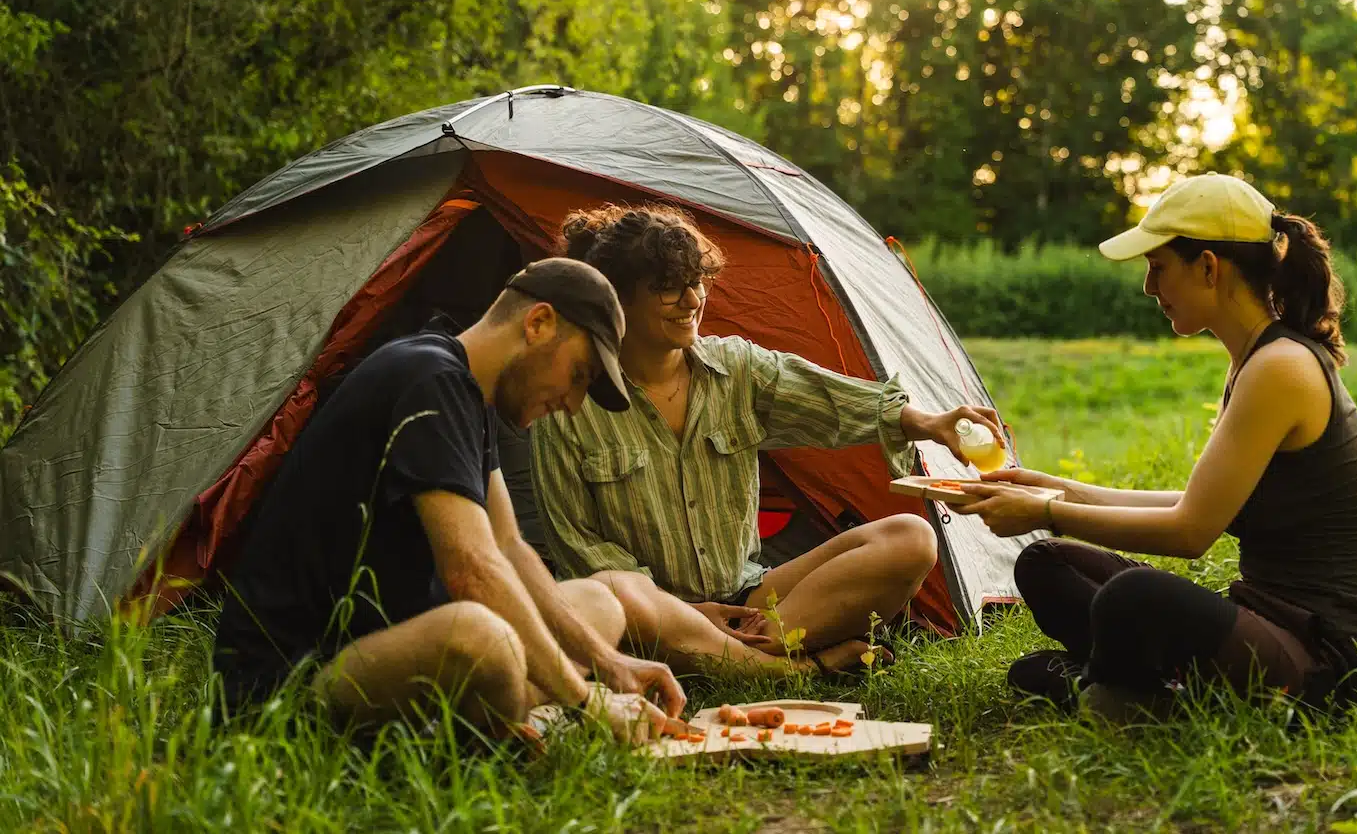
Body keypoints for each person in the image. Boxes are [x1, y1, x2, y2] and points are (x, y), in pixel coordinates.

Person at [947, 174, 1357, 721]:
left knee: (1131, 598)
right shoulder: (1253, 359)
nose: (1149, 288)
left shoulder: (1281, 369)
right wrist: (1049, 487)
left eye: (1158, 269)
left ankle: (1123, 694)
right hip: (1267, 622)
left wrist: (1043, 510)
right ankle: (1130, 685)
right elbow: (1196, 502)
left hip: (1324, 661)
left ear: (1208, 266)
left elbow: (1190, 533)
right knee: (1046, 561)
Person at [212, 257, 687, 745]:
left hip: (396, 643)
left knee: (596, 603)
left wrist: (609, 663)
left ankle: (500, 717)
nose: (572, 403)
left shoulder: (465, 392)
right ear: (538, 323)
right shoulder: (430, 380)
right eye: (580, 374)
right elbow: (472, 569)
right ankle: (507, 721)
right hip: (294, 682)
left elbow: (508, 545)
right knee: (482, 637)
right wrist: (591, 701)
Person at [530, 204, 1004, 676]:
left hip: (749, 599)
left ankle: (734, 658)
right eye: (668, 289)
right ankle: (795, 666)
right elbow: (583, 549)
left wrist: (931, 422)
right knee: (610, 602)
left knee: (912, 538)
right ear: (617, 299)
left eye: (697, 282)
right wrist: (684, 616)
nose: (693, 300)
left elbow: (830, 399)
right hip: (647, 616)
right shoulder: (570, 402)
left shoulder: (735, 369)